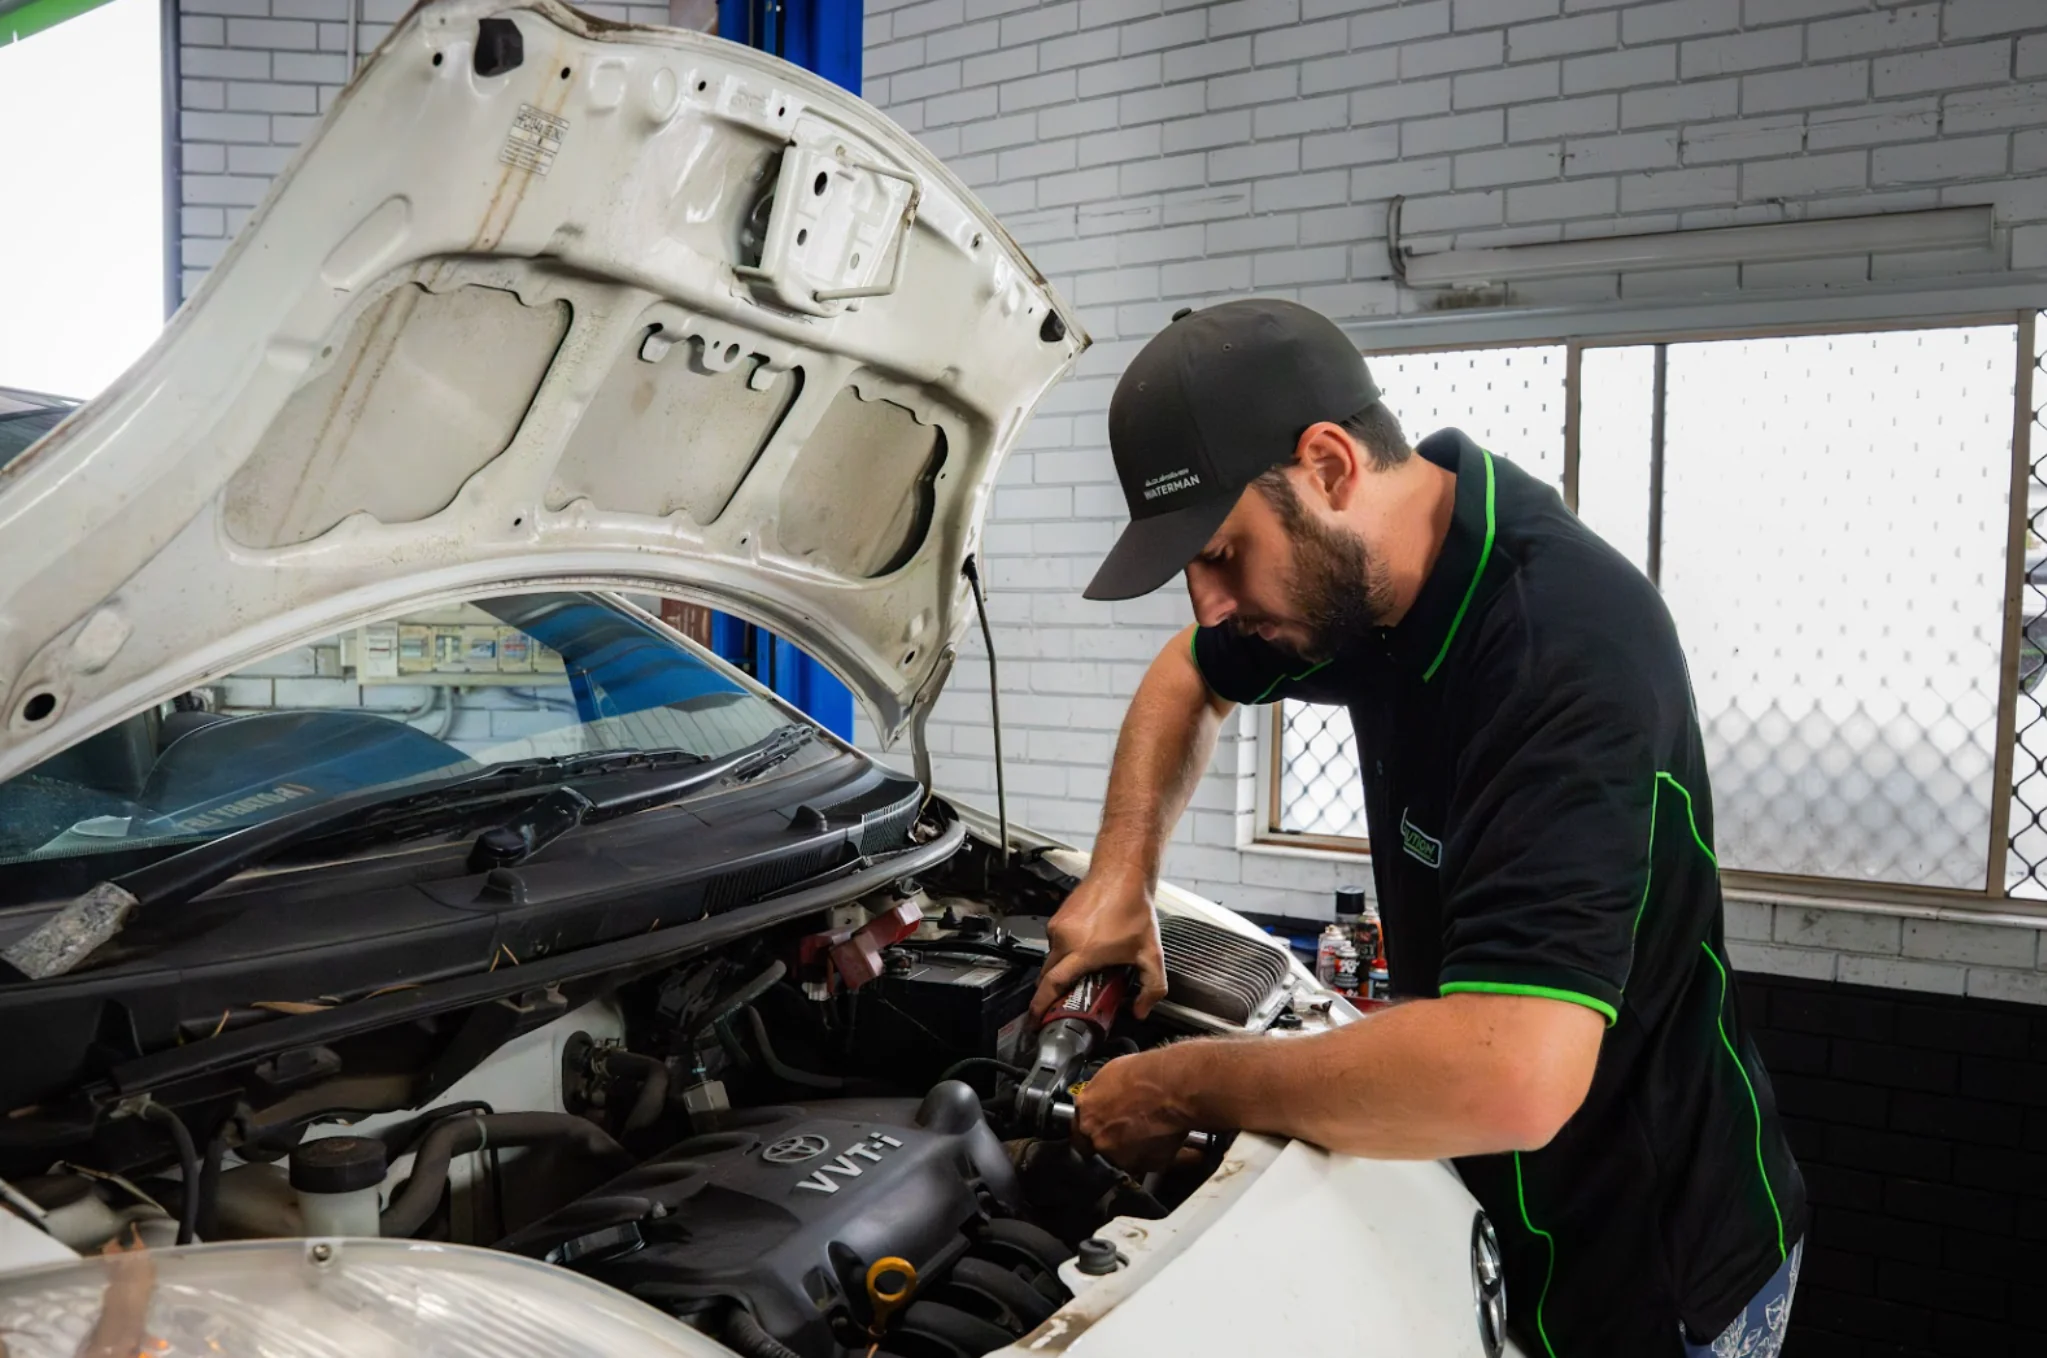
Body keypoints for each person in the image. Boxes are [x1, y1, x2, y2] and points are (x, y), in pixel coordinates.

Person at [1034, 299, 1805, 1358]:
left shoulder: (1561, 646)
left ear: (1329, 465)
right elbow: (1186, 676)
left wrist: (1181, 1079)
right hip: (1503, 1220)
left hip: (1652, 1271)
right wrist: (1123, 875)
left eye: (1221, 554)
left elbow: (1512, 1071)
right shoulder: (1371, 589)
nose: (1208, 605)